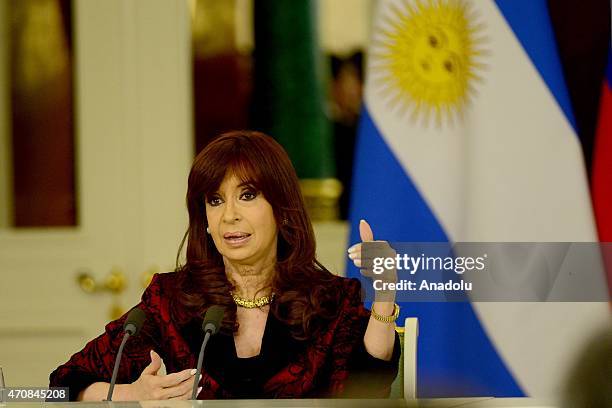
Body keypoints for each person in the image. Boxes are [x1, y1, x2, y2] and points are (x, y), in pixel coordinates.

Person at [49, 131, 400, 400]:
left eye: (247, 196)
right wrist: (130, 395)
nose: (229, 215)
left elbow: (369, 388)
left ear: (281, 207)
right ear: (204, 217)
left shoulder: (330, 300)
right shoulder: (170, 301)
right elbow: (60, 387)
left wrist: (384, 293)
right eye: (215, 200)